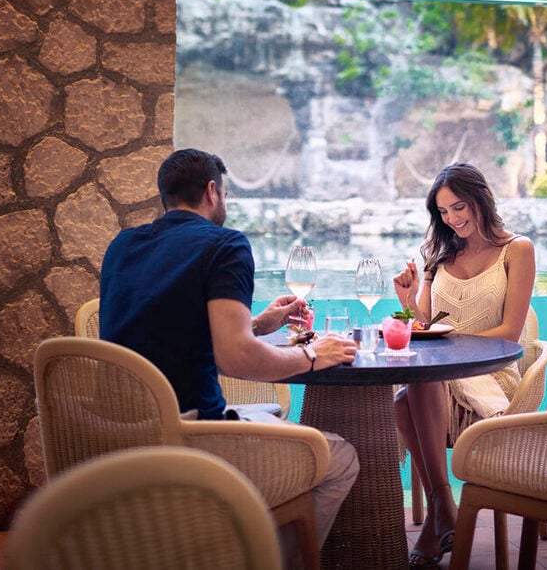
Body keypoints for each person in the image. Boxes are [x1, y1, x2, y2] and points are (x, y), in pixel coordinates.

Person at [100, 147, 359, 553]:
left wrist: (257, 325)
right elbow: (236, 358)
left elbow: (168, 332)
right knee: (341, 456)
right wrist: (314, 356)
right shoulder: (224, 245)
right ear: (212, 191)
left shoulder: (123, 245)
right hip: (189, 442)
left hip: (121, 438)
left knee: (267, 414)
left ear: (165, 196)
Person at [392, 162, 535, 569]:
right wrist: (407, 301)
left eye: (459, 207)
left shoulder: (517, 250)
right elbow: (427, 324)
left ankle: (439, 516)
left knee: (411, 391)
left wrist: (447, 345)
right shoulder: (440, 256)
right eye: (443, 212)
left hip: (492, 373)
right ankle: (444, 507)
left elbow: (509, 333)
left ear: (479, 200)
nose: (452, 219)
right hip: (442, 375)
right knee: (413, 388)